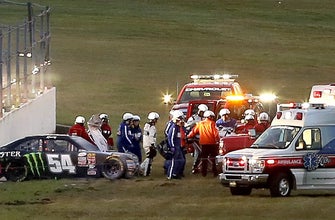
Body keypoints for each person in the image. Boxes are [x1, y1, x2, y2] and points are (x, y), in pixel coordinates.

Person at [187, 110, 220, 177]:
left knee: (204, 158)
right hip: (212, 143)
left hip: (203, 144)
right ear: (210, 117)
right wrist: (218, 140)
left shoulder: (200, 124)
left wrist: (188, 136)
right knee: (213, 159)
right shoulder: (212, 123)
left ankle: (203, 172)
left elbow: (193, 132)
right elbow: (216, 134)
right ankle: (214, 172)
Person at [185, 104, 208, 174]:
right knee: (198, 152)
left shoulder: (205, 119)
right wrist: (194, 124)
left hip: (203, 138)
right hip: (194, 138)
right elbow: (187, 127)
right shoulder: (193, 118)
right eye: (202, 112)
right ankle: (194, 167)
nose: (203, 114)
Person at [166, 112, 186, 179]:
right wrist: (172, 146)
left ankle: (175, 173)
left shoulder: (180, 127)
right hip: (175, 147)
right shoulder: (174, 127)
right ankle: (170, 174)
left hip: (179, 146)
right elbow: (170, 137)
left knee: (181, 160)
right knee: (174, 161)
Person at [141, 112, 159, 176]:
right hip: (149, 145)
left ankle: (142, 169)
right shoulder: (152, 127)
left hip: (145, 143)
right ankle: (145, 171)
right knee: (149, 158)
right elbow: (151, 137)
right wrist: (153, 145)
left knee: (148, 157)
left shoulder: (146, 125)